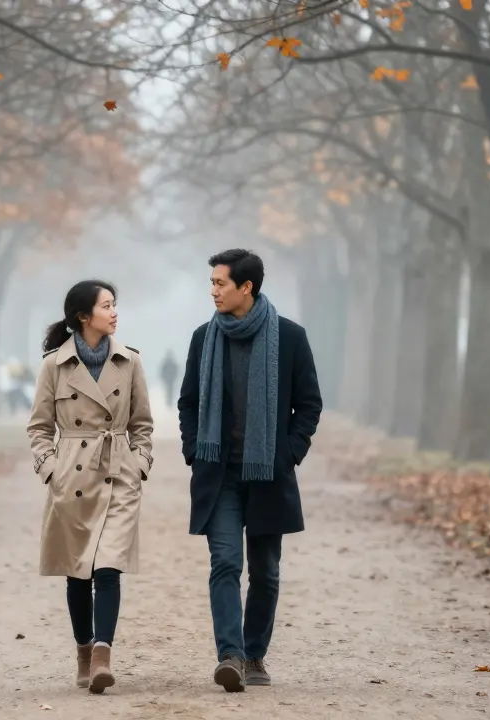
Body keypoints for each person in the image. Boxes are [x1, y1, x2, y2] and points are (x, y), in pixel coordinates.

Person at [177, 249, 322, 692]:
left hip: (268, 475)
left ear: (247, 288)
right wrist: (193, 451)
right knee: (224, 562)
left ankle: (255, 653)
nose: (214, 291)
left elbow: (309, 405)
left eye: (221, 283)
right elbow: (188, 402)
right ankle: (231, 656)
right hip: (219, 474)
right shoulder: (205, 338)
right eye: (212, 283)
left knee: (266, 571)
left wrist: (287, 454)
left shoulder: (290, 338)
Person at [26, 279, 154, 694]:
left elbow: (143, 424)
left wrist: (140, 463)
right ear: (84, 316)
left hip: (118, 474)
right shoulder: (53, 365)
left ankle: (102, 656)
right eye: (107, 305)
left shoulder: (130, 361)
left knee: (108, 567)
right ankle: (83, 652)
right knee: (78, 573)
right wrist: (51, 470)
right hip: (73, 479)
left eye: (115, 304)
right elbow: (39, 427)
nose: (115, 312)